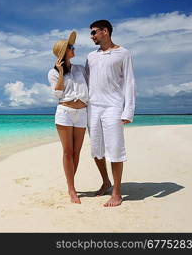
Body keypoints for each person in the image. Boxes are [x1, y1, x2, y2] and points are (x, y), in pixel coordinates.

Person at [85, 20, 136, 207]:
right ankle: (105, 181)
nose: (91, 36)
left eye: (94, 33)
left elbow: (130, 82)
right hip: (93, 108)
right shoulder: (91, 56)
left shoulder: (123, 53)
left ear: (105, 31)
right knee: (96, 149)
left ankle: (117, 192)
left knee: (115, 150)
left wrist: (127, 111)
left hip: (114, 107)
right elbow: (86, 81)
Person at [48, 31, 89, 204]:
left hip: (82, 113)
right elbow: (57, 94)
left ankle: (71, 184)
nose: (74, 48)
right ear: (63, 52)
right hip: (64, 112)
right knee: (67, 152)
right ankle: (71, 189)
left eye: (72, 46)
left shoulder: (80, 69)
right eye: (70, 47)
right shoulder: (53, 72)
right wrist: (60, 70)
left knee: (76, 152)